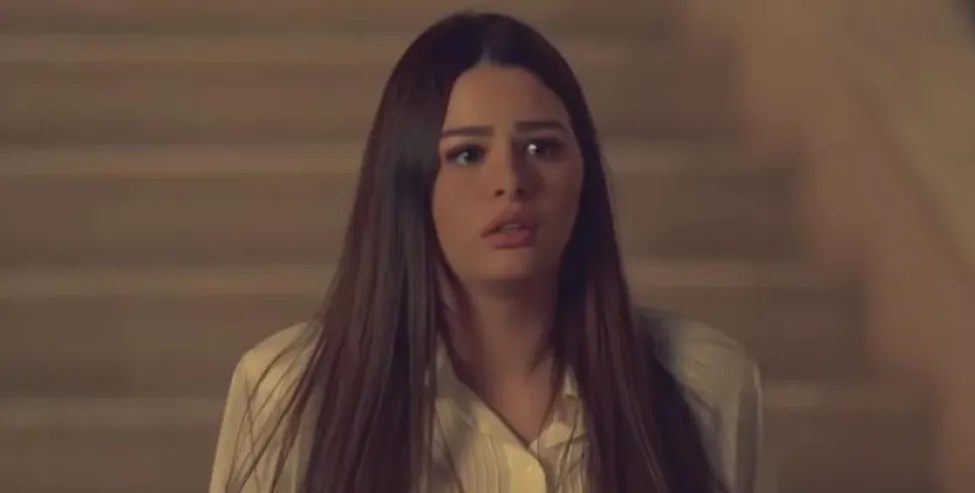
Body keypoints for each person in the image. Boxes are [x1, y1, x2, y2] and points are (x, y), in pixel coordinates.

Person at [209, 11, 772, 493]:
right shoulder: (288, 393)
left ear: (585, 174)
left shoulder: (704, 381)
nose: (511, 181)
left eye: (541, 147)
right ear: (409, 181)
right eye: (467, 154)